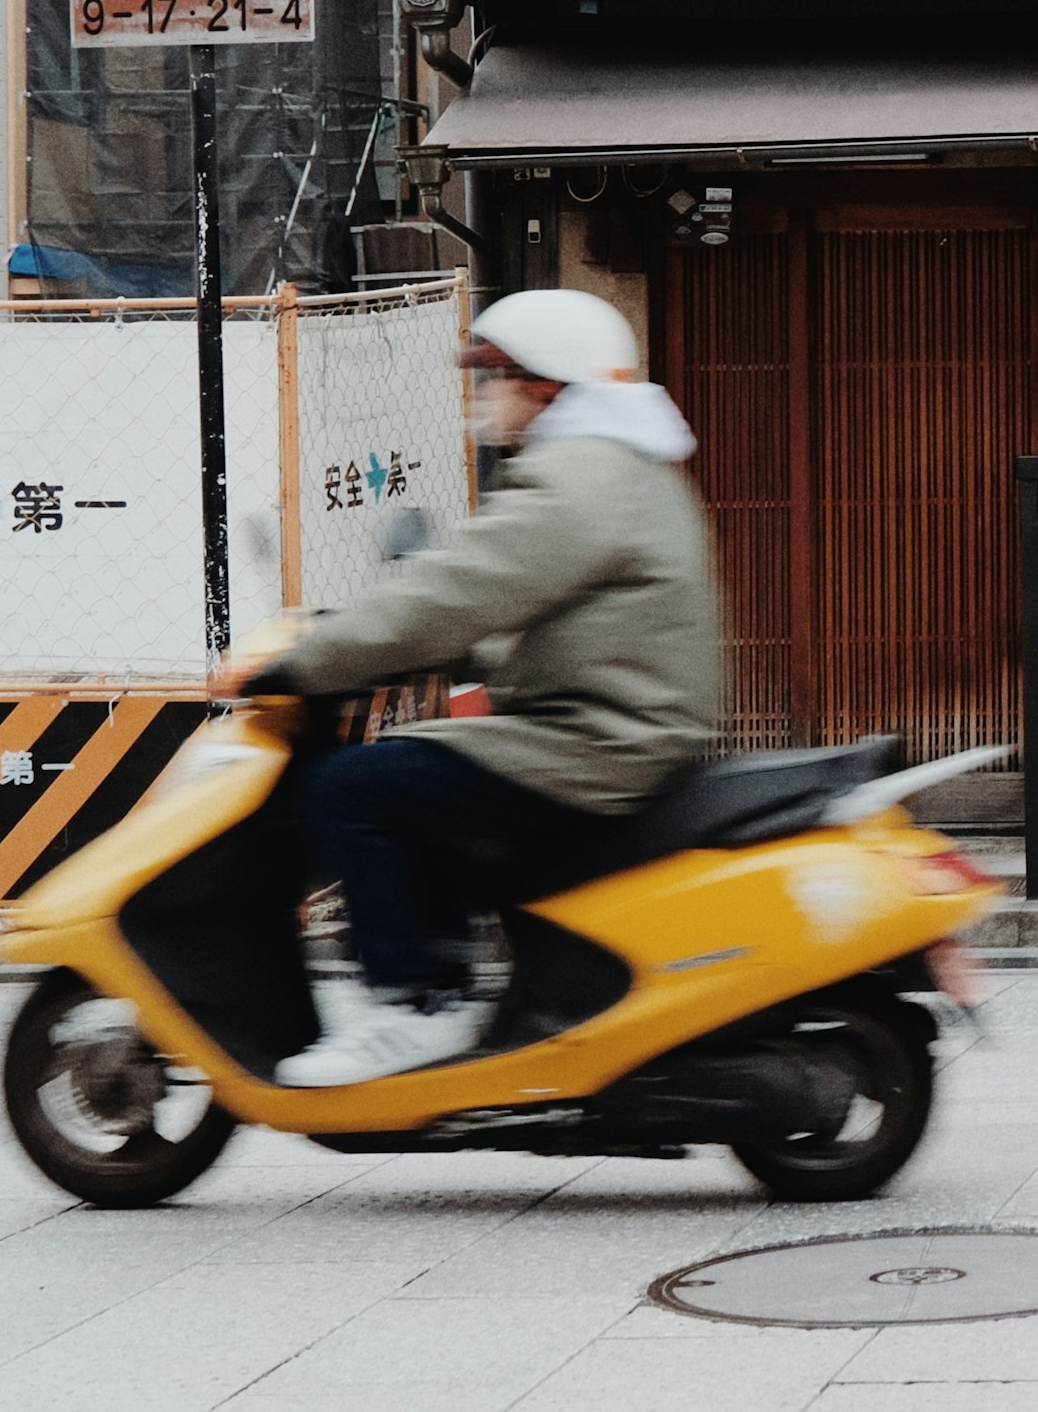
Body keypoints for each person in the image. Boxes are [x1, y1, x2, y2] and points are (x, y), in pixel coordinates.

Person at [211, 288, 727, 1085]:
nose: (483, 399)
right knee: (417, 778)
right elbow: (503, 615)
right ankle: (446, 988)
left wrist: (306, 662)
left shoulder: (578, 477)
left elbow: (456, 592)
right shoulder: (617, 468)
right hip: (610, 723)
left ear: (547, 385)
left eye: (494, 378)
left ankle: (413, 1005)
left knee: (354, 788)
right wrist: (370, 639)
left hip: (600, 740)